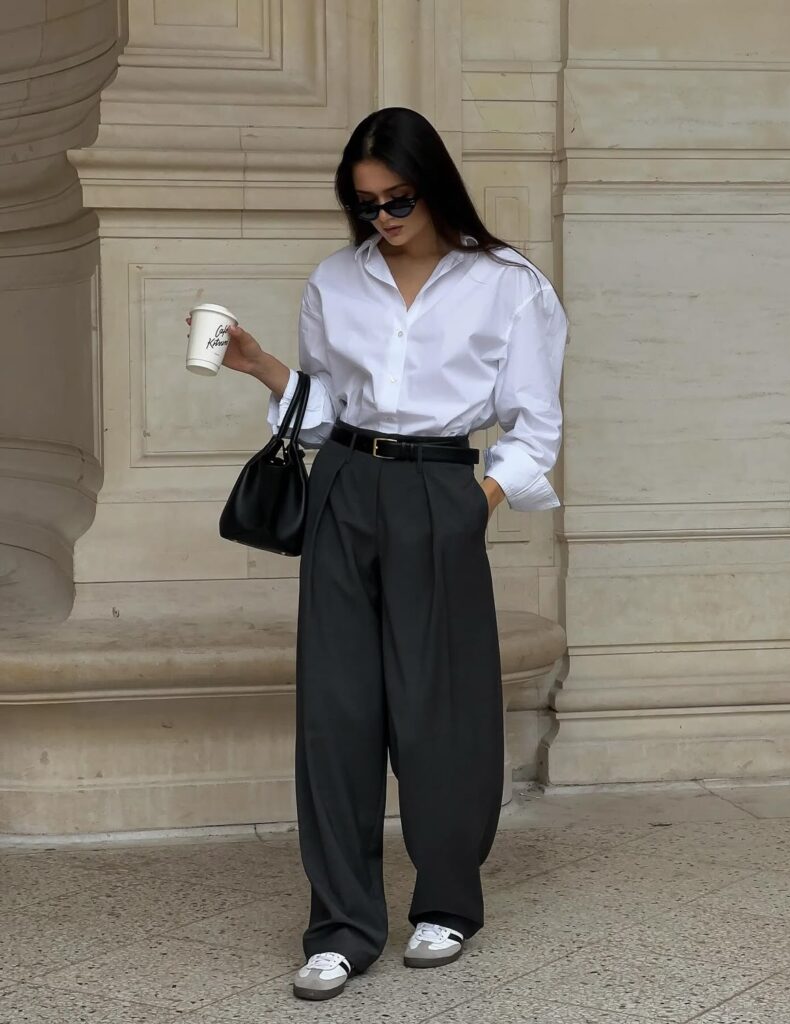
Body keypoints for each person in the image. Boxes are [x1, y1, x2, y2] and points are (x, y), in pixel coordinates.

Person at [189, 106, 568, 1001]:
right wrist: (259, 365)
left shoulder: (509, 285)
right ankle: (342, 925)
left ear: (433, 188)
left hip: (441, 490)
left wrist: (475, 502)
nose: (383, 221)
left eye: (397, 202)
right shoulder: (336, 280)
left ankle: (446, 902)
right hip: (345, 488)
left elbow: (534, 424)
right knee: (337, 712)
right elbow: (324, 414)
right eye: (366, 207)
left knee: (443, 710)